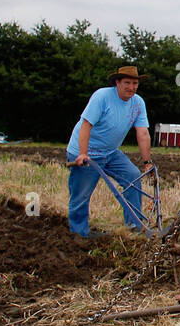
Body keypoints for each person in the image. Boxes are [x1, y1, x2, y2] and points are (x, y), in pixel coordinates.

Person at [66, 66, 154, 238]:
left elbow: (142, 133)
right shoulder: (102, 97)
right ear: (117, 83)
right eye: (127, 83)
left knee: (132, 177)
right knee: (81, 195)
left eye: (135, 83)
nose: (131, 87)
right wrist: (83, 154)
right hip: (86, 152)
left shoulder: (138, 103)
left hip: (110, 152)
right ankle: (78, 235)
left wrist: (147, 162)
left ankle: (134, 227)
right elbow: (86, 125)